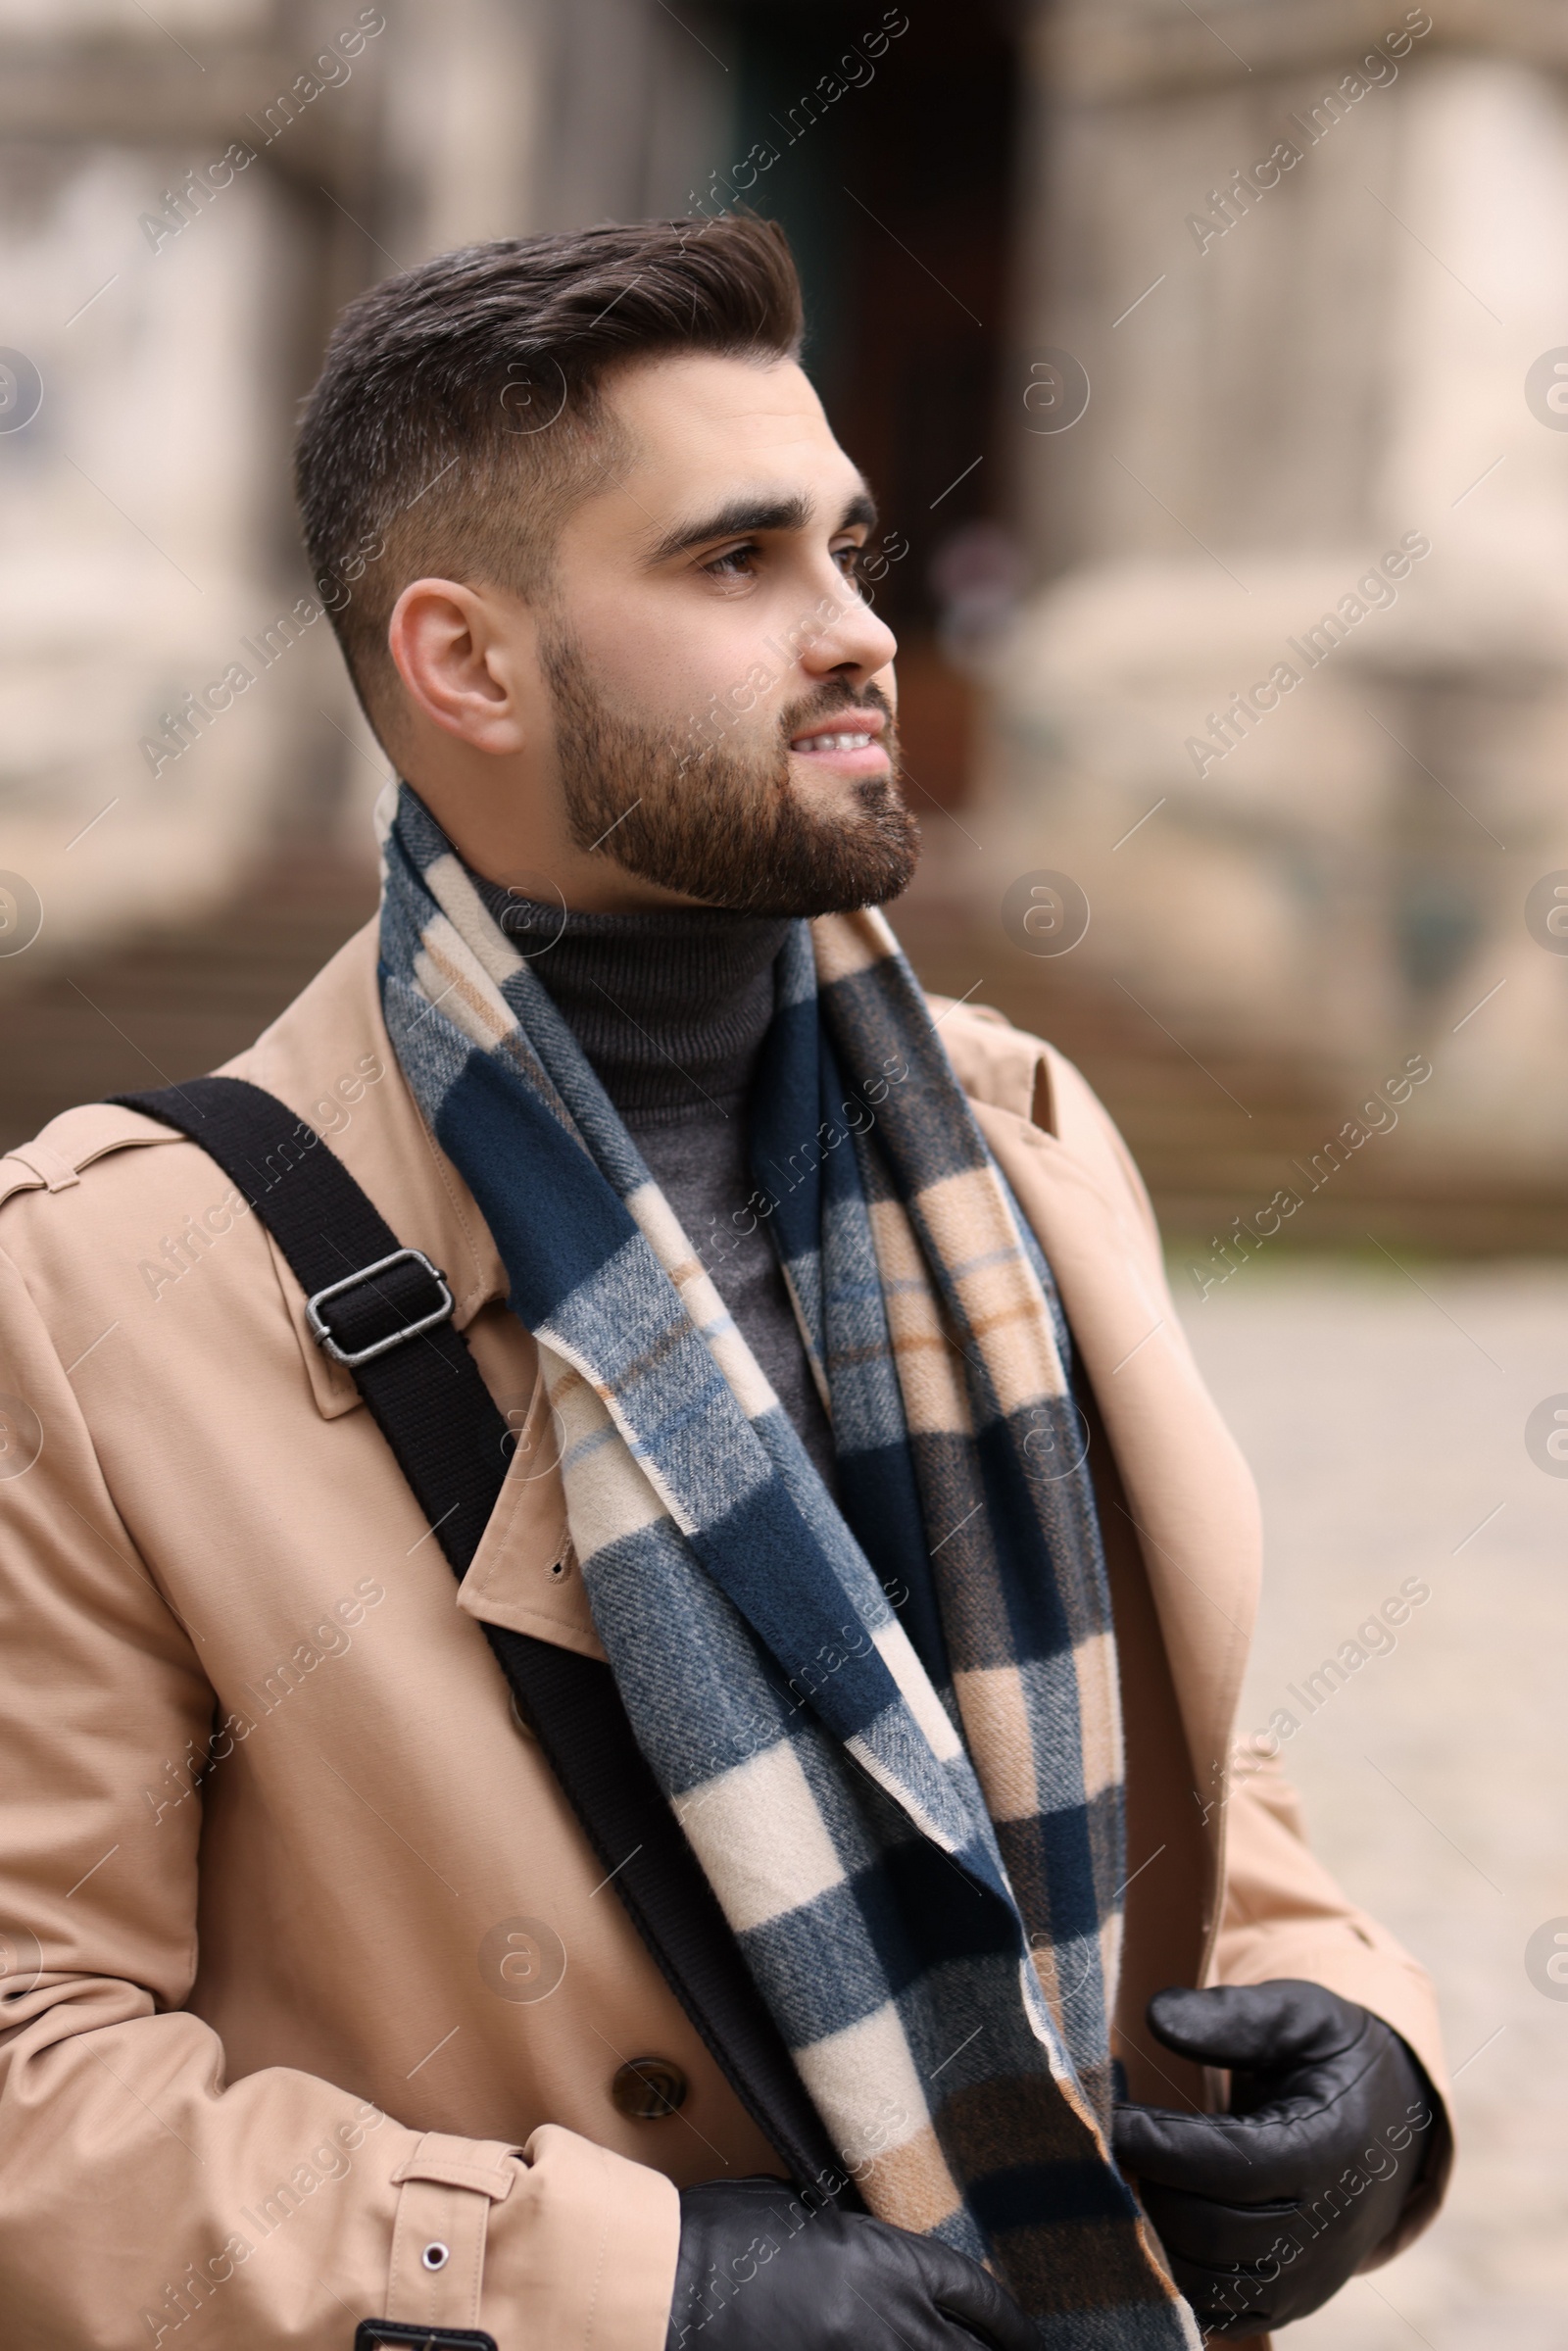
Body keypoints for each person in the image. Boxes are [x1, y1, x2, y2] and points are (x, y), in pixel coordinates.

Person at [0, 218, 1448, 2351]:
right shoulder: (105, 1282)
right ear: (465, 664)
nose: (856, 630)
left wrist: (1360, 2044)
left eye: (850, 551)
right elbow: (33, 2078)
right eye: (733, 562)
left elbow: (1167, 1774)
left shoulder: (1017, 1145)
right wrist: (621, 2293)